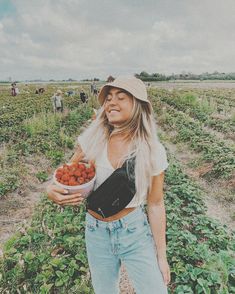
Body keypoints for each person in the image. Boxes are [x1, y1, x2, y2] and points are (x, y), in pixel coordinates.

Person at [46, 76, 170, 293]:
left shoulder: (152, 151)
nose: (111, 102)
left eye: (121, 97)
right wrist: (51, 189)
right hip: (96, 232)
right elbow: (65, 173)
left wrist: (161, 255)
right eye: (108, 98)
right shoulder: (93, 140)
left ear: (138, 106)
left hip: (133, 231)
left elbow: (156, 204)